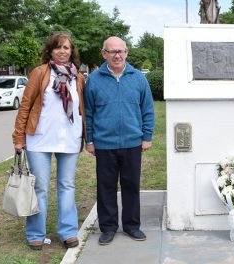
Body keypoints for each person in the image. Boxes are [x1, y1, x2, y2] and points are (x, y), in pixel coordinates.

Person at [12, 32, 86, 250]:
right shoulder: (40, 73)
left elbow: (83, 108)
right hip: (39, 139)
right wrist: (19, 137)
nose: (62, 51)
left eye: (66, 47)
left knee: (67, 185)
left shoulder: (78, 77)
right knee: (40, 188)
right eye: (58, 47)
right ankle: (35, 233)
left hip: (69, 139)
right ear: (50, 50)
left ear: (72, 51)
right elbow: (25, 106)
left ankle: (68, 231)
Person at [84, 36, 155, 245]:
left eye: (120, 51)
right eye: (112, 51)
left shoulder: (139, 79)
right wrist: (90, 140)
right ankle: (108, 228)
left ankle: (132, 226)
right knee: (105, 187)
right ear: (104, 53)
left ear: (126, 53)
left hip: (133, 143)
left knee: (131, 185)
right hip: (104, 144)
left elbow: (148, 110)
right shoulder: (94, 80)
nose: (117, 55)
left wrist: (147, 136)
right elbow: (88, 112)